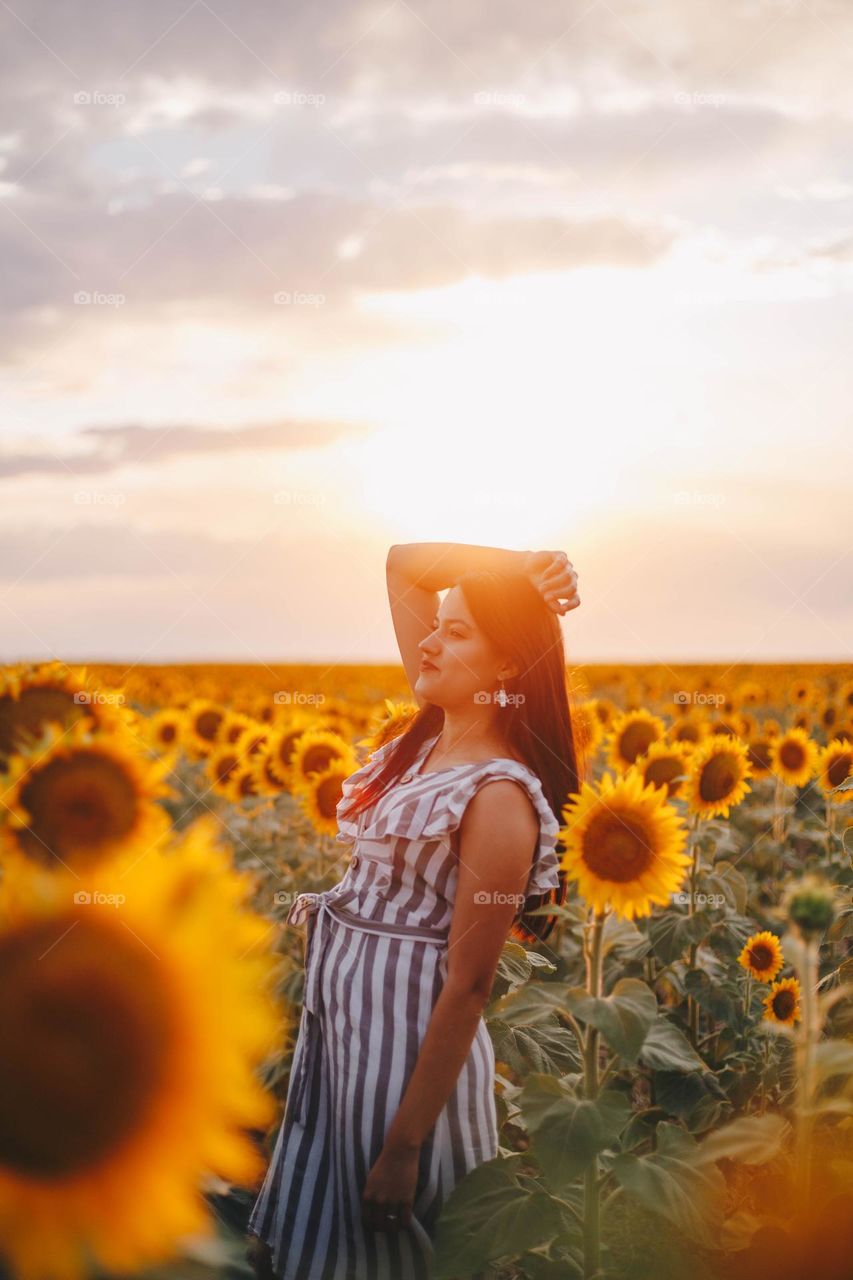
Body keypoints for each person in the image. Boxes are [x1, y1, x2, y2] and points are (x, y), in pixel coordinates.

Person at [246, 543, 582, 1279]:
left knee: (384, 1259)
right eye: (436, 624)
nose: (429, 641)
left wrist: (403, 1148)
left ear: (507, 664)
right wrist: (521, 564)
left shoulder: (498, 796)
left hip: (402, 1067)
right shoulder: (431, 734)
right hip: (341, 1044)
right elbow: (402, 564)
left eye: (456, 631)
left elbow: (468, 985)